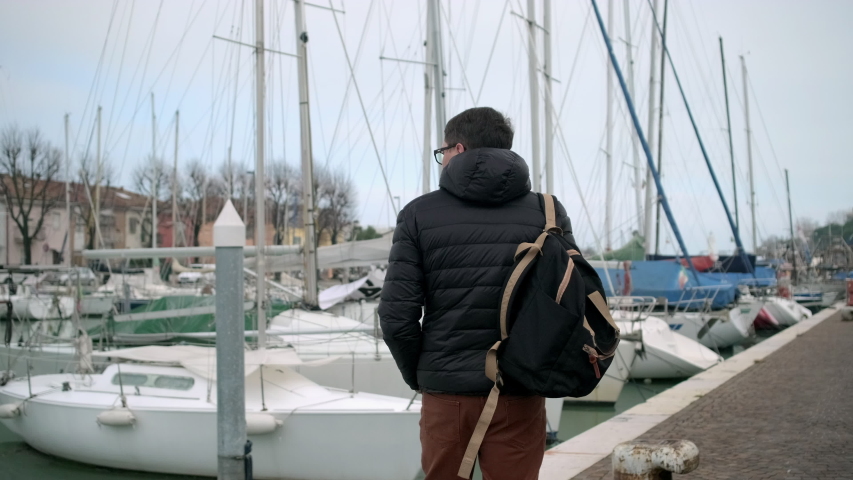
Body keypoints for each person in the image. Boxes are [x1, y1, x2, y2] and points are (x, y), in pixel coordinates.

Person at [379, 107, 582, 480]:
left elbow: (396, 318)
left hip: (447, 392)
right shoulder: (548, 211)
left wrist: (424, 375)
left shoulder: (418, 215)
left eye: (442, 152)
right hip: (520, 385)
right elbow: (570, 300)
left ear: (458, 149)